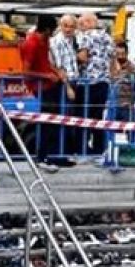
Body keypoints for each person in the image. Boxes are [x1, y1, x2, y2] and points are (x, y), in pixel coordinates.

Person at [19, 15, 58, 167]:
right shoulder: (32, 44)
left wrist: (56, 71)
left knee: (52, 123)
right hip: (38, 87)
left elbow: (46, 62)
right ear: (47, 30)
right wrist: (47, 75)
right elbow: (26, 72)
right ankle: (41, 156)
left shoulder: (45, 41)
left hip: (48, 85)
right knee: (45, 123)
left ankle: (49, 154)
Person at [76, 13, 114, 159]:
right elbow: (112, 59)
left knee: (82, 117)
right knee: (97, 117)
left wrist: (75, 57)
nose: (80, 27)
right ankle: (100, 148)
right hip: (103, 82)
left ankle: (82, 149)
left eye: (81, 24)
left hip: (88, 82)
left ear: (89, 22)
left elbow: (83, 57)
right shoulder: (107, 37)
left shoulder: (86, 36)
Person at [46, 14, 82, 165]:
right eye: (65, 26)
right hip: (64, 84)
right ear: (60, 26)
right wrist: (68, 88)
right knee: (62, 119)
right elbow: (60, 68)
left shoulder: (72, 41)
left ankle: (66, 153)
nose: (68, 29)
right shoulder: (57, 42)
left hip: (74, 81)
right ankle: (59, 155)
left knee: (70, 120)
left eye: (71, 26)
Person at [106, 39, 135, 172]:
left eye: (122, 54)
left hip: (127, 105)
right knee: (108, 134)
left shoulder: (133, 68)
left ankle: (132, 157)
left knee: (132, 133)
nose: (120, 57)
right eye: (117, 54)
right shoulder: (110, 66)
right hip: (112, 105)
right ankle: (108, 157)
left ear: (127, 54)